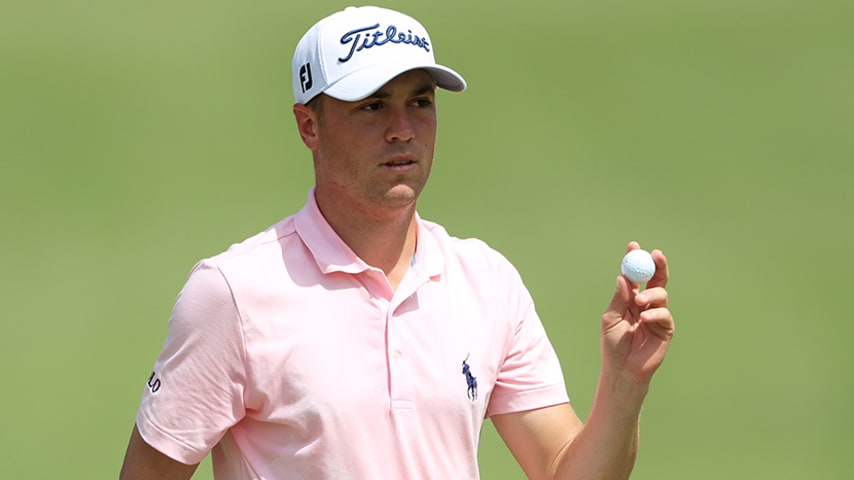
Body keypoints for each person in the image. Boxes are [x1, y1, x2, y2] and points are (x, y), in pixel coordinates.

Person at [119, 5, 675, 479]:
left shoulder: (486, 281)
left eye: (420, 101)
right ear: (308, 125)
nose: (402, 128)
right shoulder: (233, 295)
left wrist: (624, 388)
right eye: (372, 105)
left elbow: (561, 469)